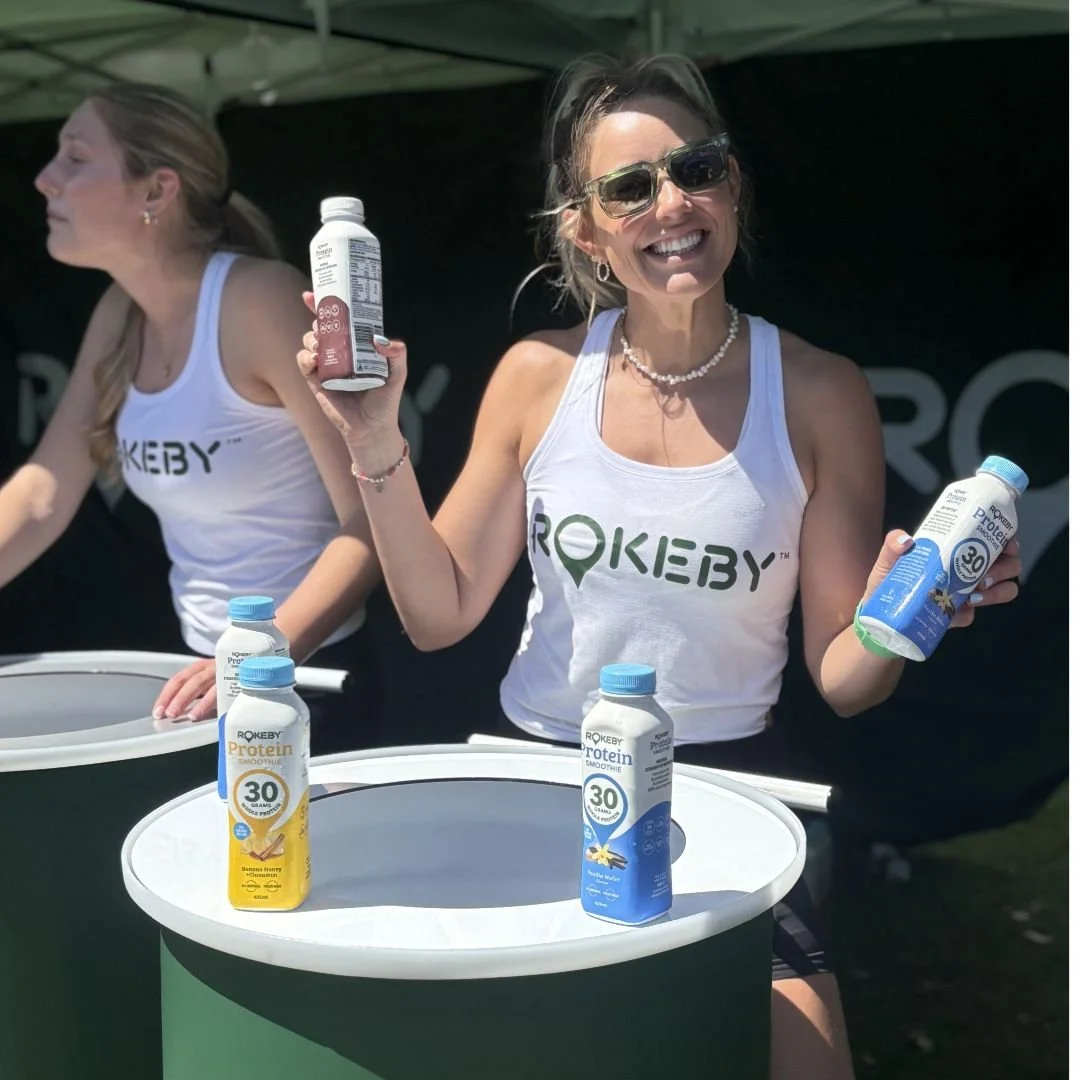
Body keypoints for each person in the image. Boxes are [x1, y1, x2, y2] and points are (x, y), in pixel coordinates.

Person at [296, 53, 1022, 1078]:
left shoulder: (820, 392)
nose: (671, 204)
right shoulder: (538, 376)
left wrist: (911, 614)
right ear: (584, 229)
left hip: (733, 794)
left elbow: (846, 681)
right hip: (543, 777)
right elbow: (438, 611)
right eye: (630, 187)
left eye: (697, 169)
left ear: (733, 187)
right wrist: (373, 437)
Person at [1, 83, 383, 754]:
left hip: (310, 685)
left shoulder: (260, 300)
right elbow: (42, 492)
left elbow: (375, 521)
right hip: (196, 678)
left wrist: (262, 657)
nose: (44, 179)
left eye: (75, 158)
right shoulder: (119, 314)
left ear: (157, 190)